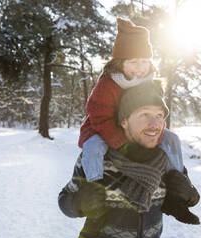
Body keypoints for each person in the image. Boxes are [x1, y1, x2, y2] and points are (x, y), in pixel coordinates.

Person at [58, 81, 200, 238]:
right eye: (144, 115)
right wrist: (78, 203)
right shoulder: (97, 159)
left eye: (159, 116)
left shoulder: (166, 158)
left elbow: (187, 197)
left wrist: (190, 194)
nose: (154, 125)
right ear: (124, 121)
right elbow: (64, 200)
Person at [78, 17, 183, 182]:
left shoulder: (151, 83)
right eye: (133, 62)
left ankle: (177, 181)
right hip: (104, 128)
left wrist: (153, 134)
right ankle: (93, 183)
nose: (140, 68)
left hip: (137, 128)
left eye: (144, 62)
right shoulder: (108, 84)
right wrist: (121, 142)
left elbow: (157, 114)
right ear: (119, 63)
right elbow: (99, 116)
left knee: (172, 140)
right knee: (93, 147)